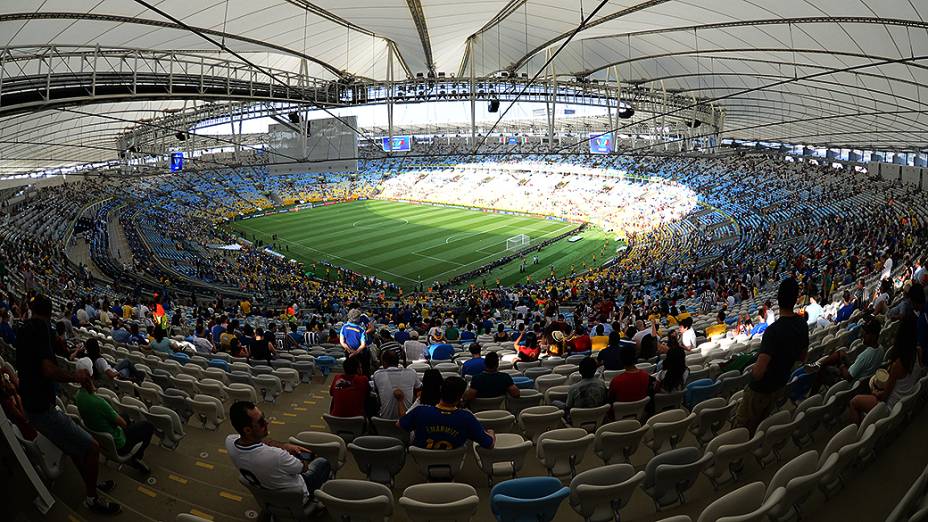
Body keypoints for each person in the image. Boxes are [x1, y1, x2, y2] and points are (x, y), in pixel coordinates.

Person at [15, 295, 120, 514]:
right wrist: (76, 376)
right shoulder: (41, 329)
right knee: (92, 447)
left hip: (32, 405)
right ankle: (92, 499)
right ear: (48, 314)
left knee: (73, 447)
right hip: (42, 409)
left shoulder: (24, 329)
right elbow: (48, 370)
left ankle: (92, 483)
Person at [736, 278, 809, 435]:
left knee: (741, 429)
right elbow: (803, 357)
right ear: (796, 298)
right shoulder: (802, 324)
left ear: (778, 298)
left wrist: (750, 372)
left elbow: (759, 372)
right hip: (780, 384)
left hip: (761, 390)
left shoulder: (773, 331)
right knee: (763, 424)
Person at [227, 401, 330, 508]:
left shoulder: (229, 441)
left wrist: (285, 446)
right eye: (261, 422)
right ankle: (315, 498)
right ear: (247, 430)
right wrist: (309, 456)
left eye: (264, 417)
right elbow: (303, 468)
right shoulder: (277, 456)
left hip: (267, 492)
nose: (267, 422)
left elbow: (259, 441)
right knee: (322, 462)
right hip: (297, 498)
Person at [75, 377, 154, 475]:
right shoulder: (99, 402)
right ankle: (137, 455)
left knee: (124, 415)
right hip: (120, 443)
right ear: (90, 381)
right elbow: (123, 424)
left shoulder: (78, 396)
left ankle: (132, 436)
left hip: (101, 438)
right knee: (148, 426)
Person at [850, 317, 920, 423]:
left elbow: (884, 397)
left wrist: (875, 393)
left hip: (890, 406)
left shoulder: (898, 364)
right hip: (905, 398)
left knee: (854, 402)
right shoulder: (919, 352)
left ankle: (860, 431)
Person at [398, 376, 495, 450]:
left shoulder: (420, 411)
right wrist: (491, 433)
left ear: (441, 391)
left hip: (422, 460)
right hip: (454, 463)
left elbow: (400, 424)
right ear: (460, 397)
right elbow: (489, 444)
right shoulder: (466, 418)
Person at [811, 317, 884, 393]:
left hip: (848, 384)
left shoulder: (866, 355)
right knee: (840, 353)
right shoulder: (881, 349)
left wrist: (842, 365)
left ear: (873, 336)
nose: (862, 335)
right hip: (859, 375)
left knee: (821, 371)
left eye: (866, 333)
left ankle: (816, 370)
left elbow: (848, 377)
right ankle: (817, 365)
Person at [372, 350, 420, 419]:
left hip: (384, 423)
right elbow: (419, 389)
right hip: (408, 422)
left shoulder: (377, 375)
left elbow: (378, 395)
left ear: (384, 363)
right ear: (398, 362)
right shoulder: (411, 373)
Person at [79, 338, 144, 384]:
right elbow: (111, 375)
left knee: (127, 365)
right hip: (112, 379)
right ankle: (137, 377)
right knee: (127, 366)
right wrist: (118, 373)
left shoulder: (87, 358)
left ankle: (135, 378)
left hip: (104, 377)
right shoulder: (100, 361)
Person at [340, 309, 371, 375]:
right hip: (360, 354)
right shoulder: (361, 330)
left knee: (350, 371)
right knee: (362, 371)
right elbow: (363, 345)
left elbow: (342, 342)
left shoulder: (344, 327)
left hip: (349, 353)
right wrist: (355, 352)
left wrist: (350, 350)